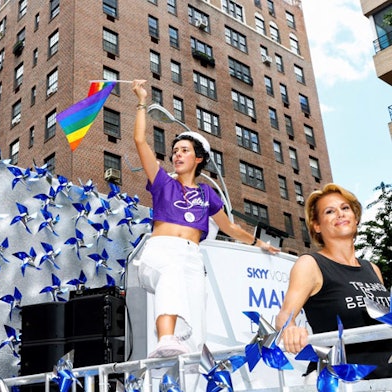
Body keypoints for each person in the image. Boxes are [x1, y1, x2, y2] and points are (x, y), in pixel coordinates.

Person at [131, 79, 280, 358]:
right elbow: (140, 141)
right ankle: (165, 340)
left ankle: (191, 370)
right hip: (160, 252)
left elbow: (229, 227)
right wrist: (141, 100)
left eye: (184, 150)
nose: (177, 154)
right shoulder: (163, 182)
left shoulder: (208, 194)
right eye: (175, 151)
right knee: (172, 272)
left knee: (197, 330)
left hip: (192, 257)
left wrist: (259, 243)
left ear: (199, 158)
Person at [275, 183, 392, 382]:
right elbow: (285, 315)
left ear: (355, 218)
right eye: (330, 211)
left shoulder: (372, 269)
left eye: (345, 208)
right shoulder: (310, 264)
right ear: (317, 226)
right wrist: (289, 329)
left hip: (383, 378)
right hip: (338, 379)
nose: (340, 213)